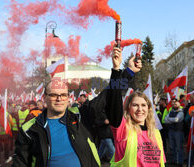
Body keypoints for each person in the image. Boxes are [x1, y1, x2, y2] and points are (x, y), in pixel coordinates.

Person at [12, 46, 142, 167]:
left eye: (63, 95)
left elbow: (108, 94)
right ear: (44, 97)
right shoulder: (30, 129)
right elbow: (20, 163)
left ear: (68, 97)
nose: (59, 98)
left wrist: (128, 72)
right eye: (53, 95)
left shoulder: (81, 116)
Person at [110, 91, 165, 167]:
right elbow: (113, 104)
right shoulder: (123, 129)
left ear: (148, 108)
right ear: (128, 108)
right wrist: (117, 81)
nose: (140, 109)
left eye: (143, 105)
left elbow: (161, 162)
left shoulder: (156, 133)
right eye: (135, 105)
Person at [164, 99, 184, 166]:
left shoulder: (181, 112)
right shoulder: (171, 111)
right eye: (173, 104)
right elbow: (165, 120)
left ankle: (179, 162)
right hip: (171, 131)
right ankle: (174, 160)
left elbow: (176, 120)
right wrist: (171, 120)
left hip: (178, 132)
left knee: (178, 147)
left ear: (179, 105)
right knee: (172, 147)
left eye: (176, 104)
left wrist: (169, 119)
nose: (174, 105)